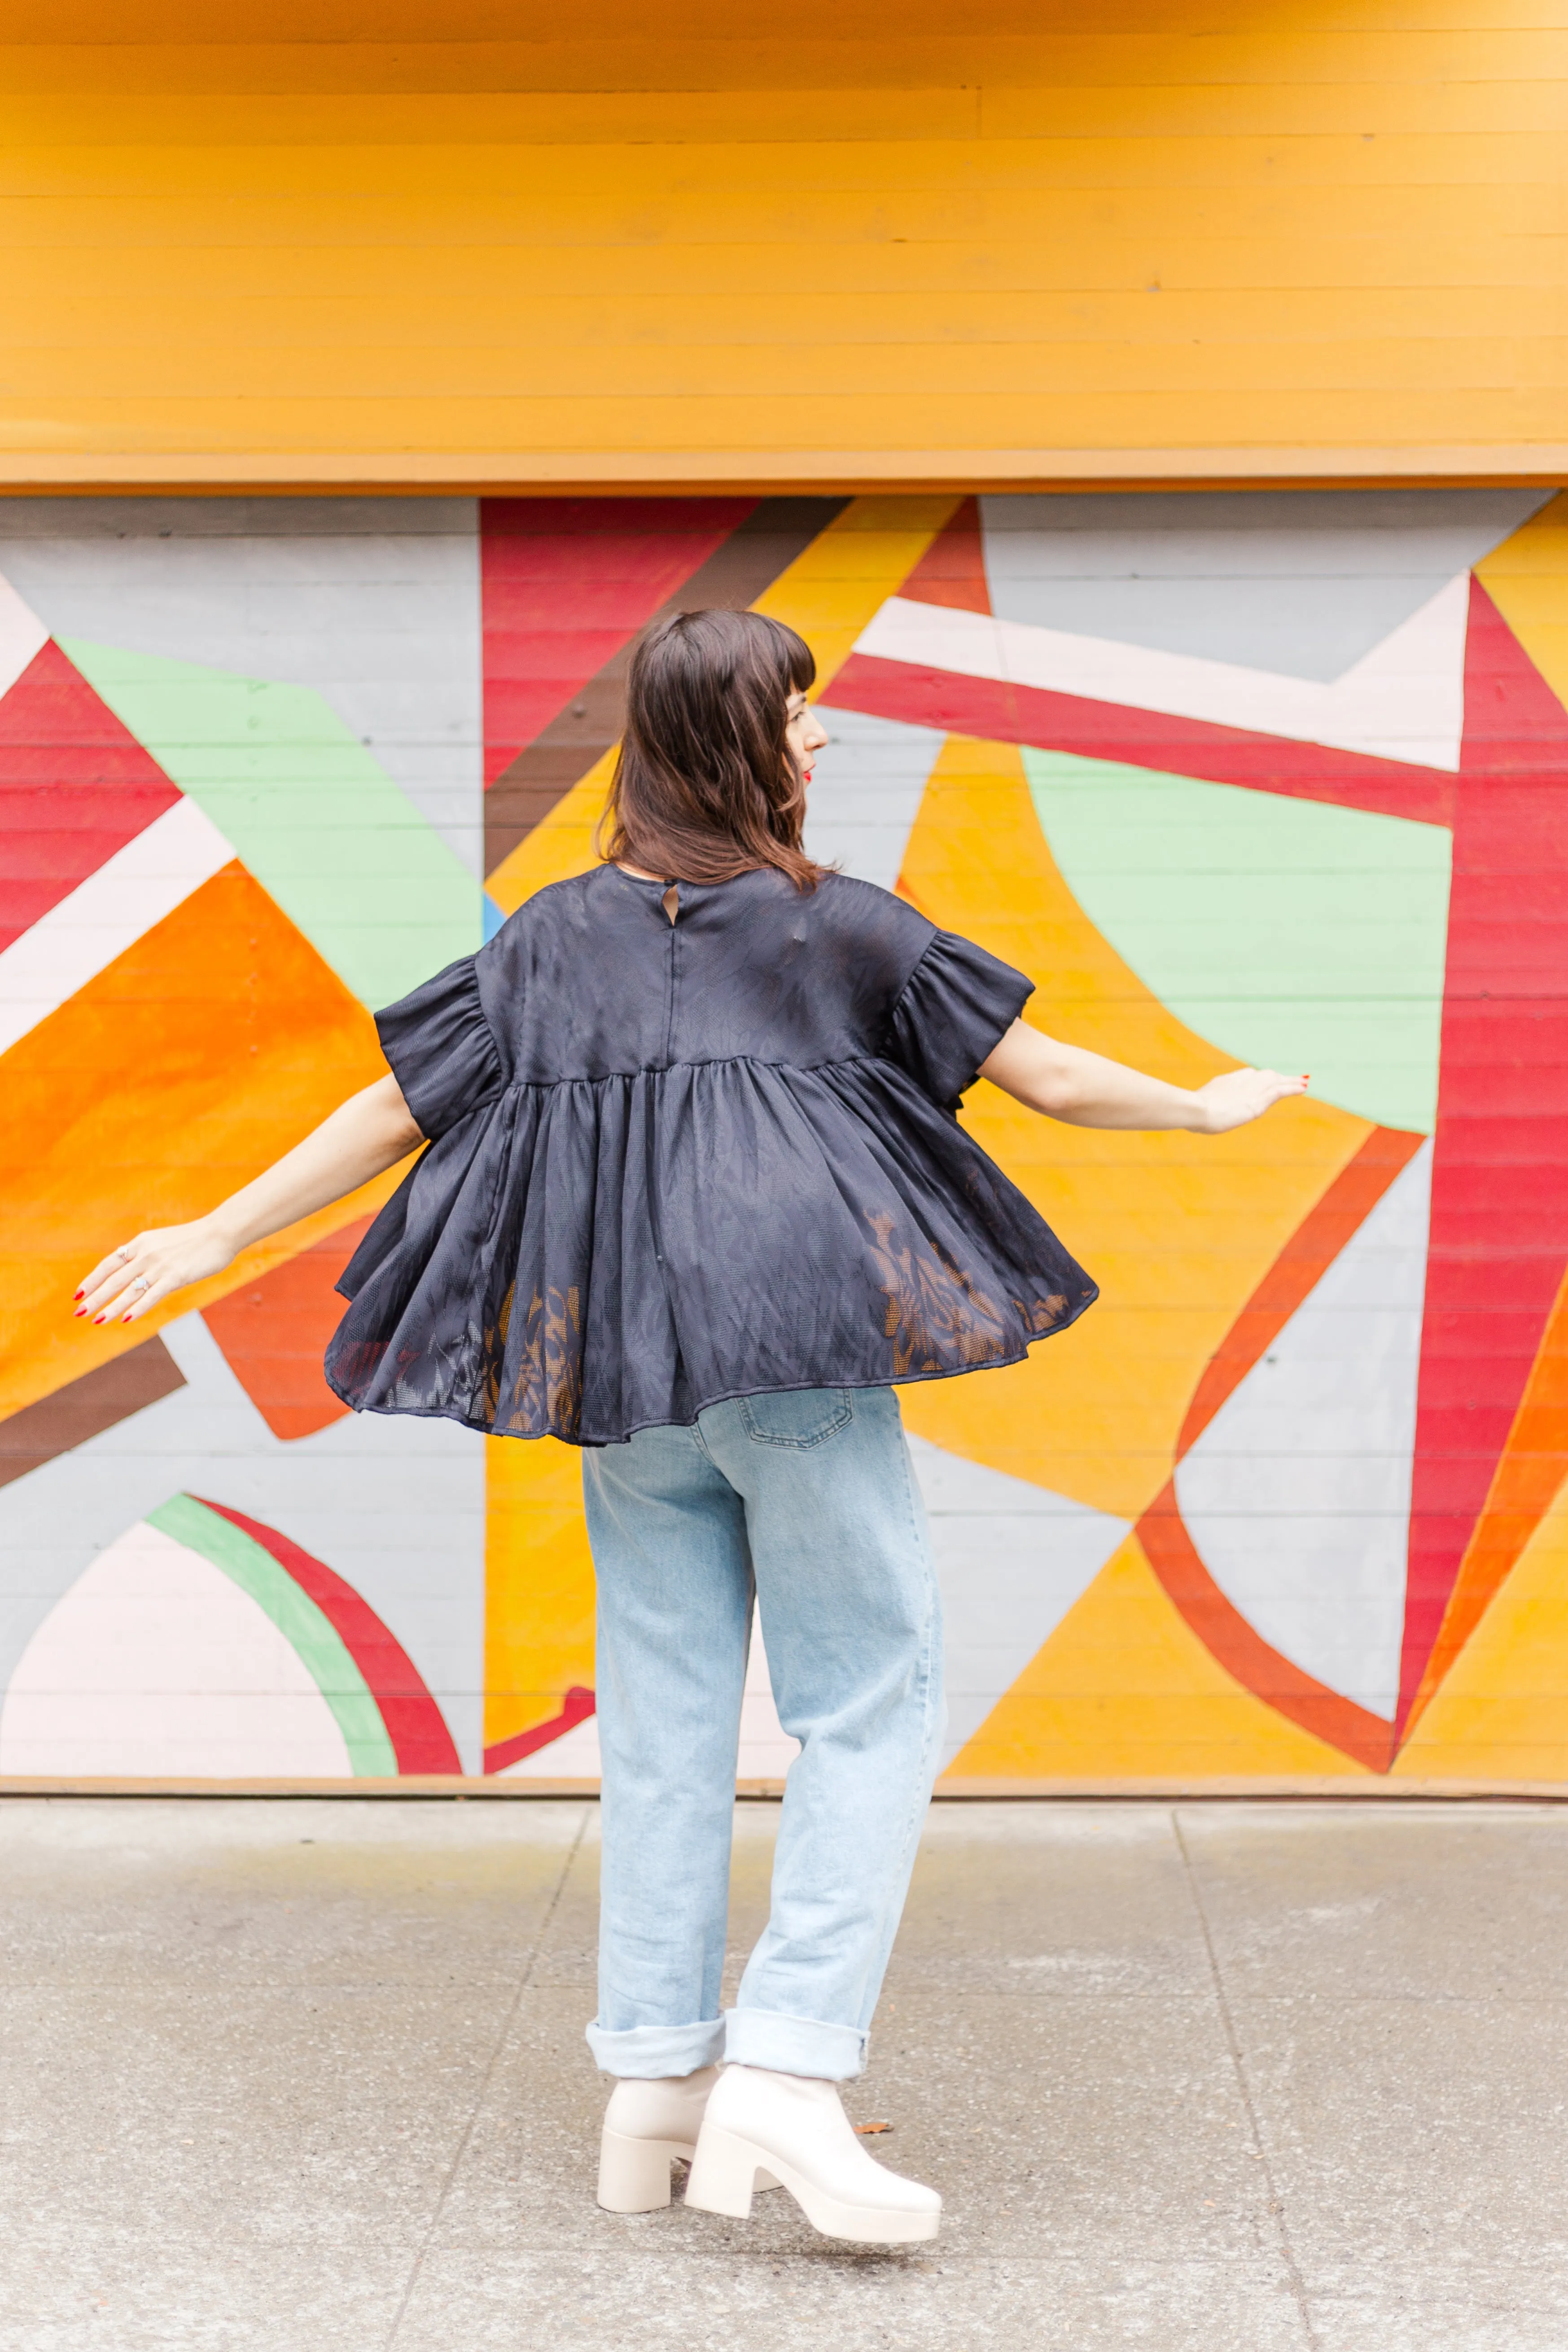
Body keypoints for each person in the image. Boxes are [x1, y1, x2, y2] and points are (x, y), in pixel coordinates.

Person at [74, 607, 1305, 2246]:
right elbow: (1058, 1081)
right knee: (871, 1698)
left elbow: (390, 1106)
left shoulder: (544, 938)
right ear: (735, 740)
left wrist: (215, 1236)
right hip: (792, 1369)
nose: (819, 740)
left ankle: (653, 2086)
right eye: (799, 717)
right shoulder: (837, 930)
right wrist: (1212, 1102)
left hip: (626, 1384)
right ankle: (787, 2081)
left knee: (661, 1718)